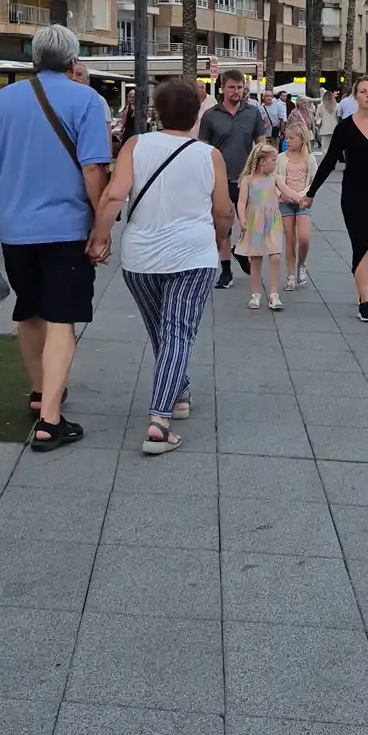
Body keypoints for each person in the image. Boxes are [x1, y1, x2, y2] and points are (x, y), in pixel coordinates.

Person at [0, 25, 112, 451]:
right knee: (61, 318)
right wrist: (99, 224)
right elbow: (93, 169)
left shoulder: (5, 101)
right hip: (66, 228)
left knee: (28, 311)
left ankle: (39, 391)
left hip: (16, 228)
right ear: (73, 63)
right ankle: (51, 420)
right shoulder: (86, 100)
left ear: (33, 61)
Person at [87, 77, 234, 455]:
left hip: (141, 258)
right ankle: (160, 420)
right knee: (177, 333)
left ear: (156, 111)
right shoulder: (209, 156)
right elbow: (222, 210)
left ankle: (179, 392)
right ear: (196, 116)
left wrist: (100, 237)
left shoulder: (136, 145)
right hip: (193, 255)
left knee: (163, 331)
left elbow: (114, 194)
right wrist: (221, 237)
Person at [304, 74, 368, 322]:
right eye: (363, 91)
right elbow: (328, 161)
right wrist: (311, 193)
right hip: (355, 194)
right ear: (356, 96)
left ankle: (364, 284)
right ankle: (365, 301)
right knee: (363, 246)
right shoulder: (346, 127)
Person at [198, 68, 270, 289]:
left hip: (247, 180)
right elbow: (203, 149)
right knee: (223, 228)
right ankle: (226, 272)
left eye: (240, 87)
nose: (236, 91)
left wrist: (265, 172)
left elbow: (261, 144)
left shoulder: (253, 112)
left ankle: (240, 251)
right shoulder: (210, 115)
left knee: (250, 224)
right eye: (232, 87)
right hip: (220, 181)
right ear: (223, 88)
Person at [237, 137, 286, 309]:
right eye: (273, 160)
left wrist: (303, 198)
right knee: (256, 258)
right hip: (255, 222)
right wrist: (242, 218)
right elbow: (242, 201)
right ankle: (256, 293)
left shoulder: (274, 178)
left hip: (272, 222)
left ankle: (274, 294)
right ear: (262, 162)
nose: (276, 163)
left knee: (275, 256)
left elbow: (288, 192)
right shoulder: (247, 180)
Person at [277, 115, 316, 289]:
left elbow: (313, 182)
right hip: (285, 201)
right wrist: (281, 194)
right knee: (290, 238)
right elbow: (275, 179)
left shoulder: (310, 158)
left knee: (304, 237)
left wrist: (302, 196)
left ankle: (302, 264)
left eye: (292, 138)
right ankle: (290, 275)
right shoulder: (280, 158)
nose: (288, 141)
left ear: (301, 139)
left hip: (303, 201)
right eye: (286, 137)